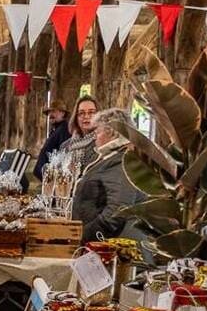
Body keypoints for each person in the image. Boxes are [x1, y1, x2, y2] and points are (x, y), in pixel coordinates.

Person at [72, 109, 146, 242]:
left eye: (98, 132)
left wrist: (84, 236)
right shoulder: (113, 157)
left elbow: (117, 211)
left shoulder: (122, 160)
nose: (95, 136)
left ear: (112, 132)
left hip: (115, 248)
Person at [60, 96, 100, 186]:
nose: (86, 116)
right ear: (76, 117)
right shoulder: (65, 146)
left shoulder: (103, 144)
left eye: (91, 112)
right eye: (81, 113)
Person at [33, 103, 72, 181]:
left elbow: (64, 154)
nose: (50, 114)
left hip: (53, 178)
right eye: (49, 112)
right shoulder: (55, 130)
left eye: (54, 111)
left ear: (63, 113)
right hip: (46, 177)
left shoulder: (64, 129)